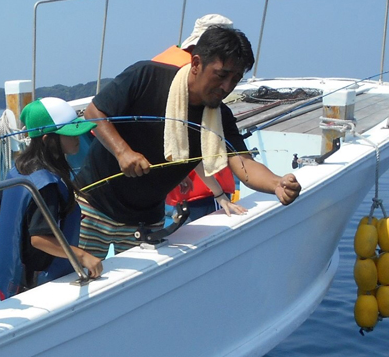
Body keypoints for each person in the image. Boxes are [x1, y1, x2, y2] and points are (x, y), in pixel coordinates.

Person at [75, 26, 301, 258]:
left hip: (146, 220)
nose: (227, 87)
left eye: (235, 79)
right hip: (93, 207)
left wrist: (276, 183)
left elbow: (243, 164)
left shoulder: (220, 117)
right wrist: (122, 152)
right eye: (221, 75)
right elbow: (94, 112)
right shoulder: (146, 76)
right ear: (195, 64)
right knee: (79, 282)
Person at [0, 98, 104, 299]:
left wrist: (20, 226)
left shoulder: (19, 169)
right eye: (69, 133)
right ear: (47, 140)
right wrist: (83, 256)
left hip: (14, 276)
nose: (78, 137)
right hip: (36, 282)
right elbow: (40, 239)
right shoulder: (47, 185)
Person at [155, 14, 244, 221]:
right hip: (203, 191)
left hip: (173, 193)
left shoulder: (162, 66)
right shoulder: (191, 78)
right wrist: (220, 193)